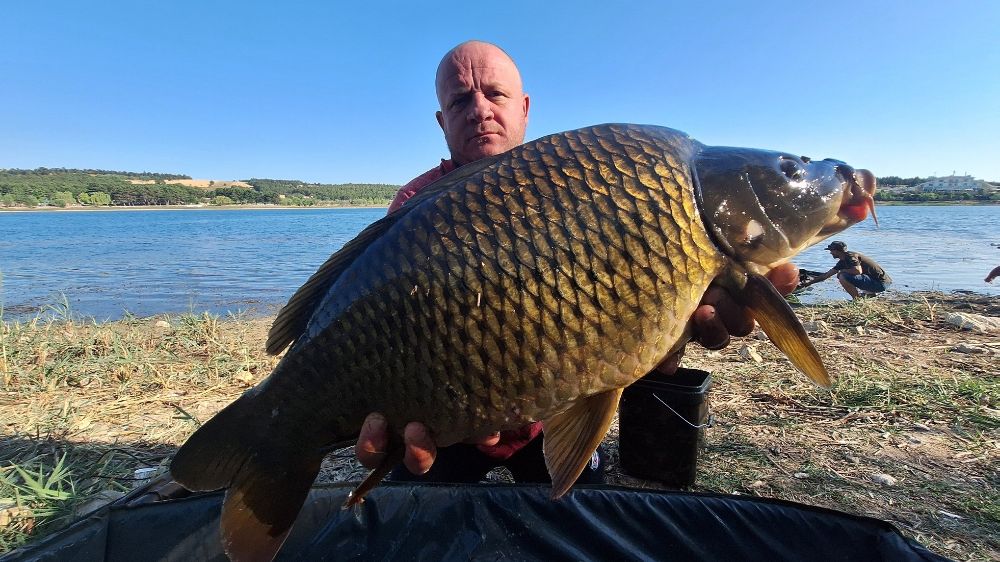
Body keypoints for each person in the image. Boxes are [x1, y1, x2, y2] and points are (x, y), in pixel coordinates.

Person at [356, 40, 799, 483]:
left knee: (581, 508)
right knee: (418, 496)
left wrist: (672, 318)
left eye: (495, 93)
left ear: (524, 107)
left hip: (555, 412)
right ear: (442, 120)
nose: (479, 110)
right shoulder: (414, 207)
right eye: (459, 100)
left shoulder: (577, 181)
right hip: (456, 419)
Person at [798, 241, 892, 299]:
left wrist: (842, 271)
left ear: (838, 251)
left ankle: (857, 300)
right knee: (842, 274)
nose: (830, 253)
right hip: (876, 282)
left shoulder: (851, 256)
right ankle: (870, 293)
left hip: (881, 283)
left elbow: (857, 271)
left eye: (832, 250)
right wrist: (808, 283)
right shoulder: (842, 262)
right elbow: (825, 276)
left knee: (842, 276)